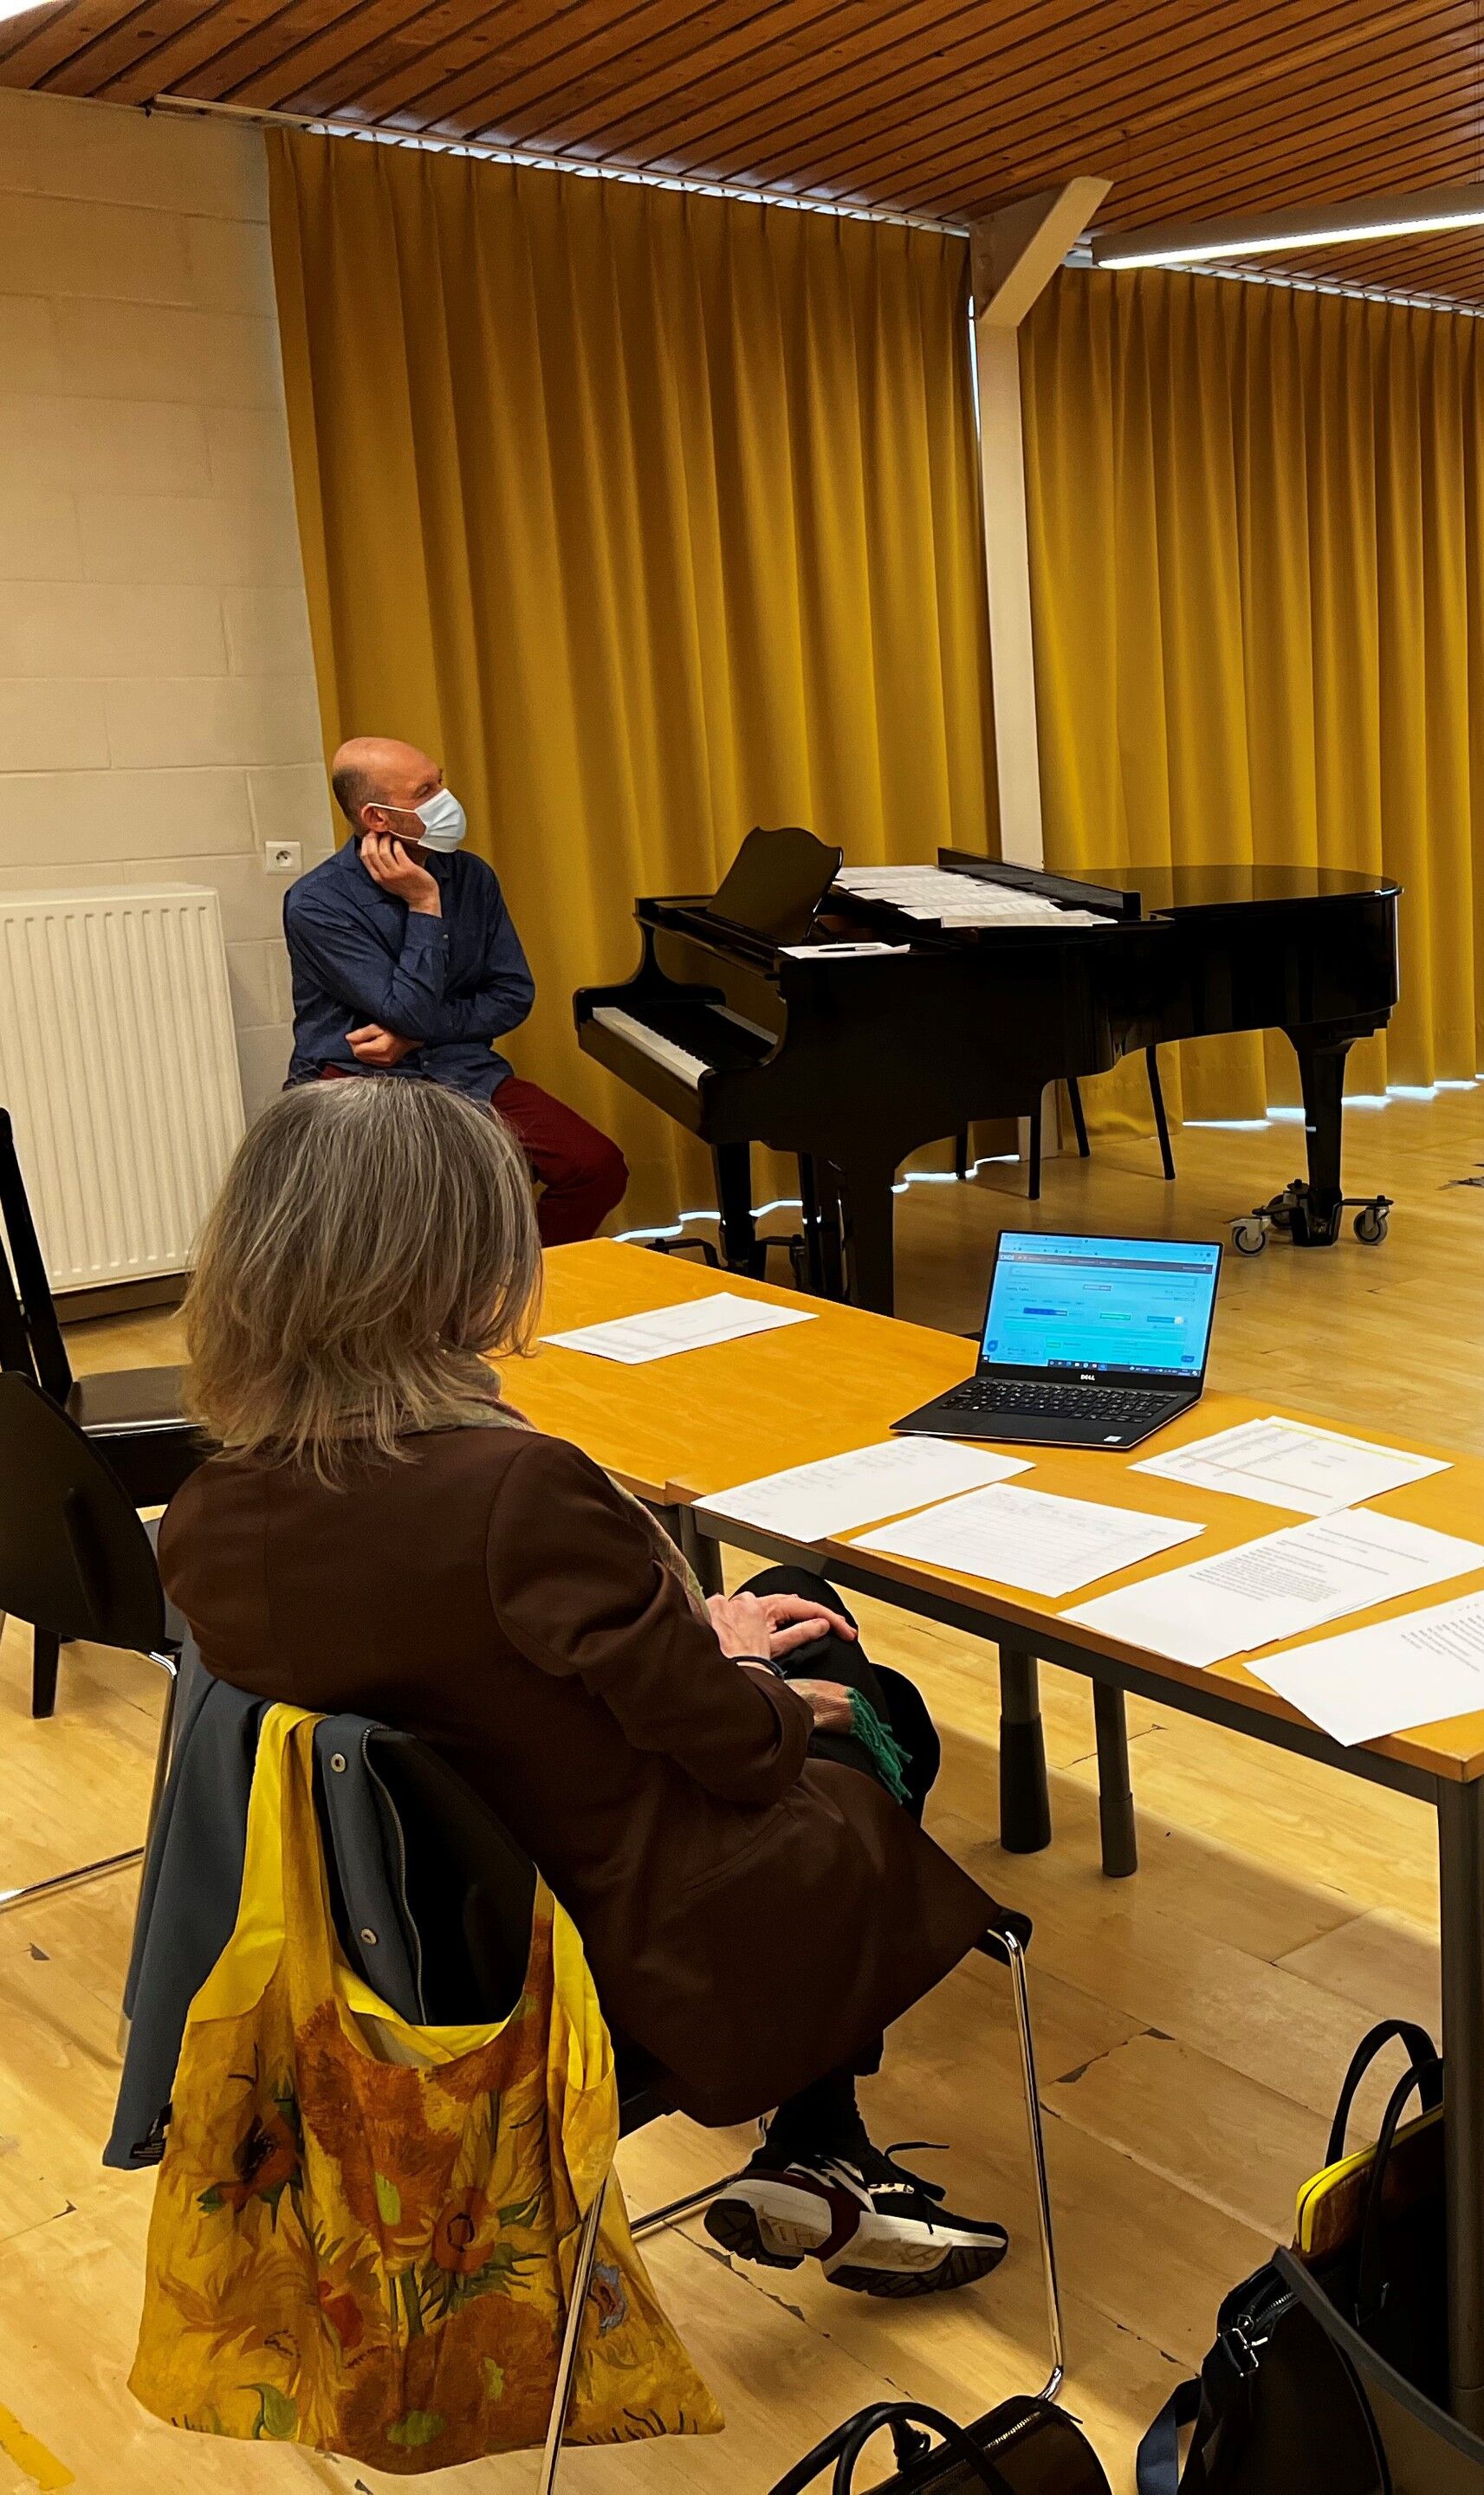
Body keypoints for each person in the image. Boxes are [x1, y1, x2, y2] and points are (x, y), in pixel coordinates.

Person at [159, 1077, 1013, 2298]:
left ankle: (823, 2147)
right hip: (616, 1938)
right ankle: (821, 2138)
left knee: (778, 1605)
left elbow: (466, 1661)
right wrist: (754, 1675)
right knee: (871, 1705)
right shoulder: (513, 1491)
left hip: (409, 1934)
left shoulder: (209, 1514)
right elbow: (734, 1751)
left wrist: (687, 1633)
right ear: (464, 1265)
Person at [284, 735, 629, 1244]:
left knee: (595, 1167)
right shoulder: (318, 903)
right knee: (425, 1209)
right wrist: (424, 904)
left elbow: (511, 995)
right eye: (424, 791)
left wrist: (417, 1037)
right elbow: (407, 1009)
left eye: (439, 782)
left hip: (461, 1070)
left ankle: (522, 1276)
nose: (446, 799)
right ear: (377, 818)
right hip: (358, 1081)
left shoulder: (472, 877)